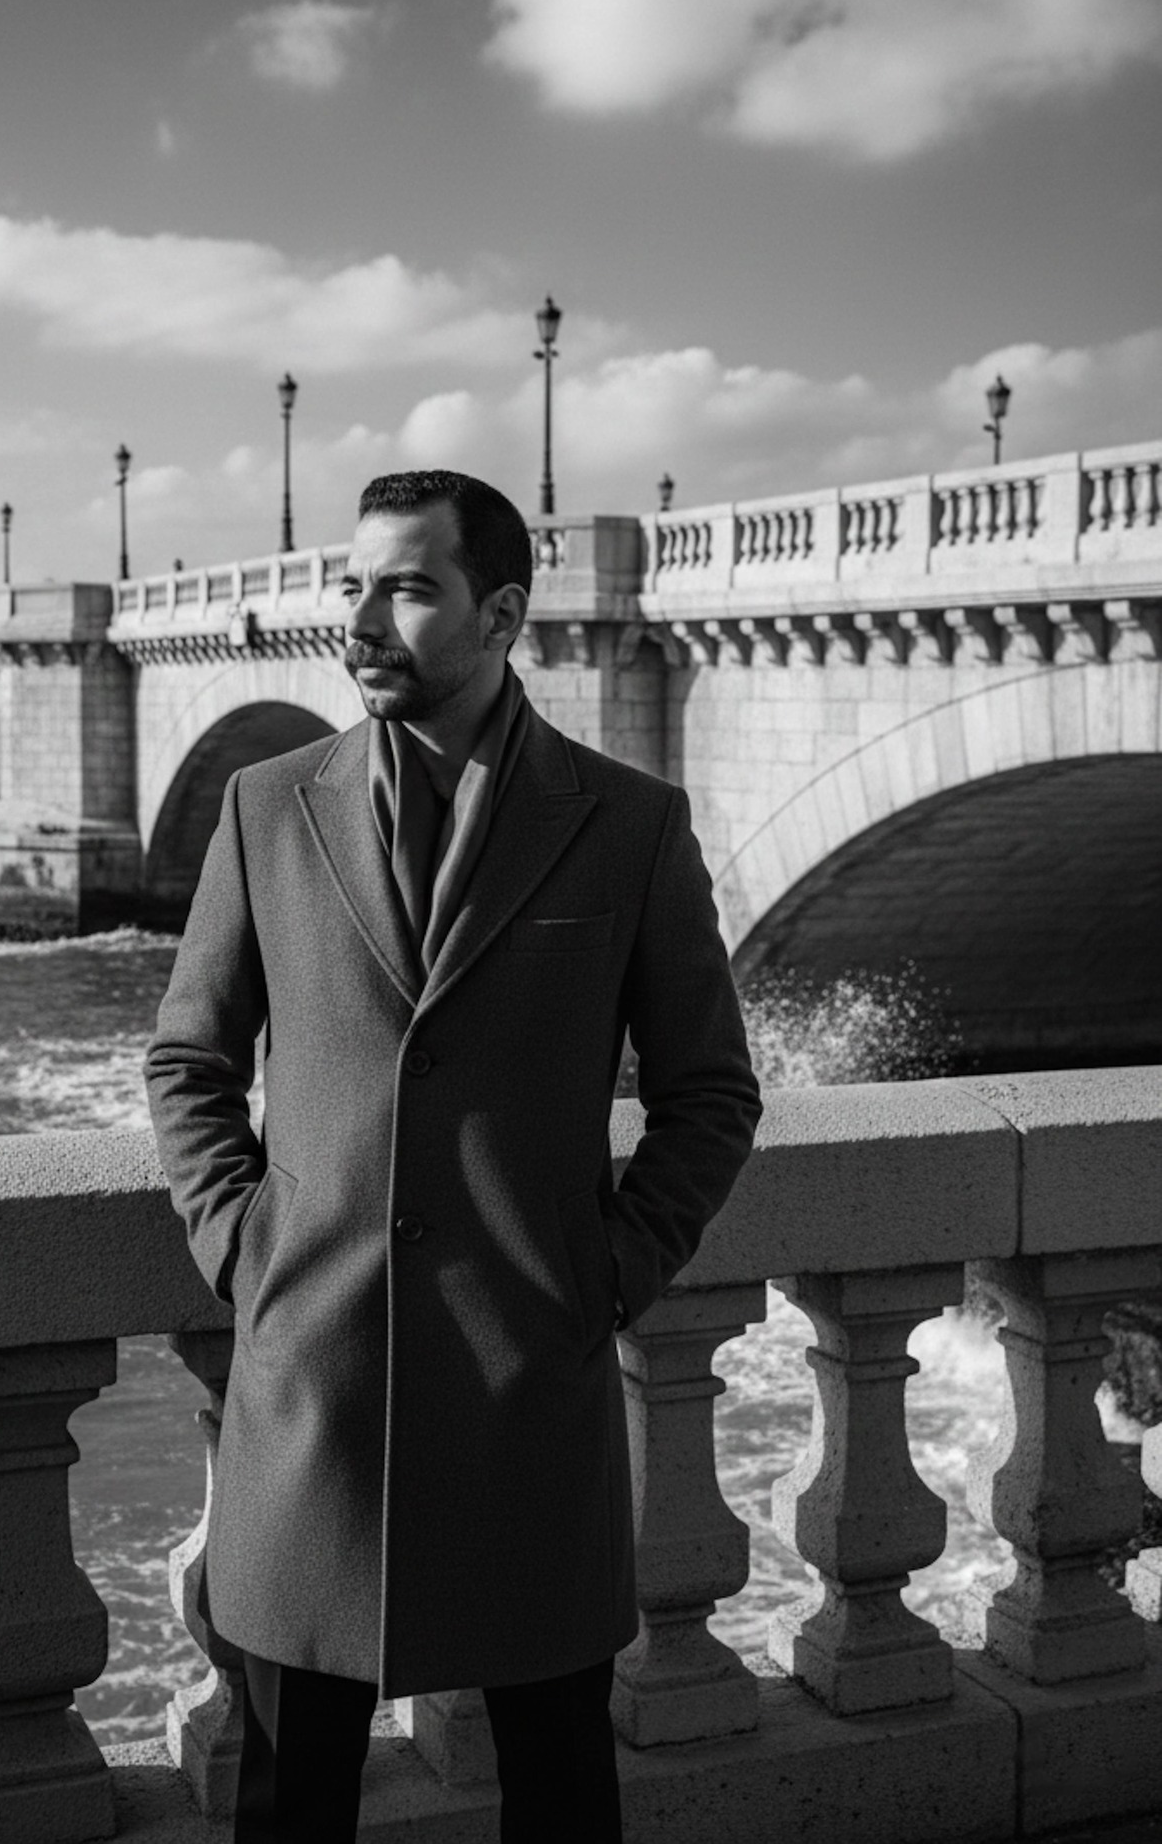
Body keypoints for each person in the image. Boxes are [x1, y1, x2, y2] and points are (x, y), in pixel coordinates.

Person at [145, 470, 761, 1843]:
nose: (360, 618)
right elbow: (189, 1062)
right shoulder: (265, 809)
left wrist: (607, 1270)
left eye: (407, 588)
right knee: (288, 1807)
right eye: (353, 584)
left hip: (526, 1396)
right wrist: (245, 1250)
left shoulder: (629, 825)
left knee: (558, 1800)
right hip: (312, 1399)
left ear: (500, 613)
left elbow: (710, 1092)